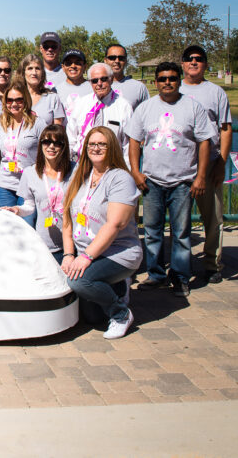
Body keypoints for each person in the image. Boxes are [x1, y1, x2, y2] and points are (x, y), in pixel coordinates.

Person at [125, 61, 215, 297]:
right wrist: (136, 171)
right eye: (163, 79)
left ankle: (180, 277)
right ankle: (156, 275)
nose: (167, 82)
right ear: (155, 82)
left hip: (183, 181)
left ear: (179, 80)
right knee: (153, 231)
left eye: (172, 78)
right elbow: (134, 141)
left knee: (181, 233)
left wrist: (200, 177)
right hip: (152, 181)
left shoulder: (193, 107)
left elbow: (205, 142)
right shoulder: (145, 108)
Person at [61, 127, 143, 340]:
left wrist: (86, 257)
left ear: (112, 147)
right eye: (92, 144)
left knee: (79, 282)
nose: (96, 148)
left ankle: (121, 313)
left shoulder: (120, 178)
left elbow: (115, 224)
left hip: (117, 252)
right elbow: (68, 220)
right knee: (92, 317)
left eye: (102, 144)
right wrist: (69, 255)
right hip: (88, 251)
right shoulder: (82, 175)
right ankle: (116, 287)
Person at [179, 45, 233, 284]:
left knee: (213, 218)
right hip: (179, 165)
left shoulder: (216, 92)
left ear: (205, 64)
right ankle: (180, 266)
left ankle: (212, 263)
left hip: (210, 163)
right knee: (179, 220)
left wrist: (221, 162)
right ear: (182, 63)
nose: (193, 62)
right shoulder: (172, 87)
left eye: (198, 59)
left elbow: (225, 129)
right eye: (189, 59)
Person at [7, 124, 71, 260]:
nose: (51, 146)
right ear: (40, 144)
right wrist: (17, 210)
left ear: (64, 146)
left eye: (57, 143)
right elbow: (29, 206)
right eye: (46, 142)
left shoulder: (75, 170)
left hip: (72, 244)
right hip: (46, 245)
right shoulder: (30, 173)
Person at [66, 63, 133, 163]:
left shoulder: (124, 106)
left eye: (104, 79)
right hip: (81, 163)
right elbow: (71, 137)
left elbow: (127, 145)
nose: (99, 83)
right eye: (94, 81)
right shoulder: (81, 104)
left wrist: (126, 170)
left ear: (111, 79)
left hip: (111, 165)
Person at [0, 81, 41, 223]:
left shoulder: (38, 123)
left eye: (19, 99)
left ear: (25, 100)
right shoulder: (0, 124)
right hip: (5, 186)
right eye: (10, 100)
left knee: (27, 227)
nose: (14, 104)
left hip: (28, 185)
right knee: (9, 228)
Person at [20, 54, 65, 127]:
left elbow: (58, 130)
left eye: (37, 68)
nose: (34, 73)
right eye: (30, 68)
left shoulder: (52, 98)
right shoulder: (16, 97)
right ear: (23, 72)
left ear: (42, 73)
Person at [104, 44, 149, 110]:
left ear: (126, 61)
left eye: (121, 58)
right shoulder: (96, 86)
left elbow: (146, 114)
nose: (117, 61)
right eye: (112, 58)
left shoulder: (139, 88)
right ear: (105, 60)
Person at [58, 49, 94, 120]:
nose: (73, 66)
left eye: (78, 63)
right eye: (68, 63)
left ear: (85, 66)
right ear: (63, 67)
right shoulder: (56, 90)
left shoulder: (94, 88)